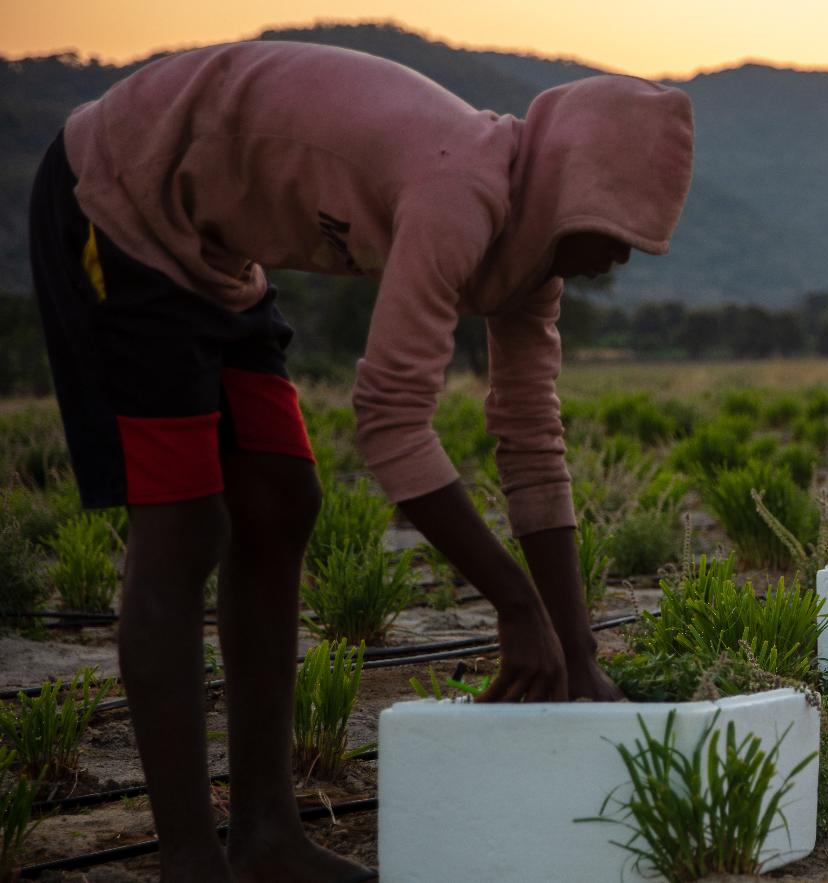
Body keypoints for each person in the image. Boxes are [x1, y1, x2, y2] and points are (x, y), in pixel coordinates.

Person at [28, 41, 693, 882]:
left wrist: (578, 650)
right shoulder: (462, 191)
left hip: (217, 259)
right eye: (613, 229)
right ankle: (191, 860)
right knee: (187, 522)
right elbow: (388, 420)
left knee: (280, 498)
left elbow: (530, 435)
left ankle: (266, 835)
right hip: (120, 200)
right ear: (570, 190)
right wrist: (515, 604)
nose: (620, 258)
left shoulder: (532, 262)